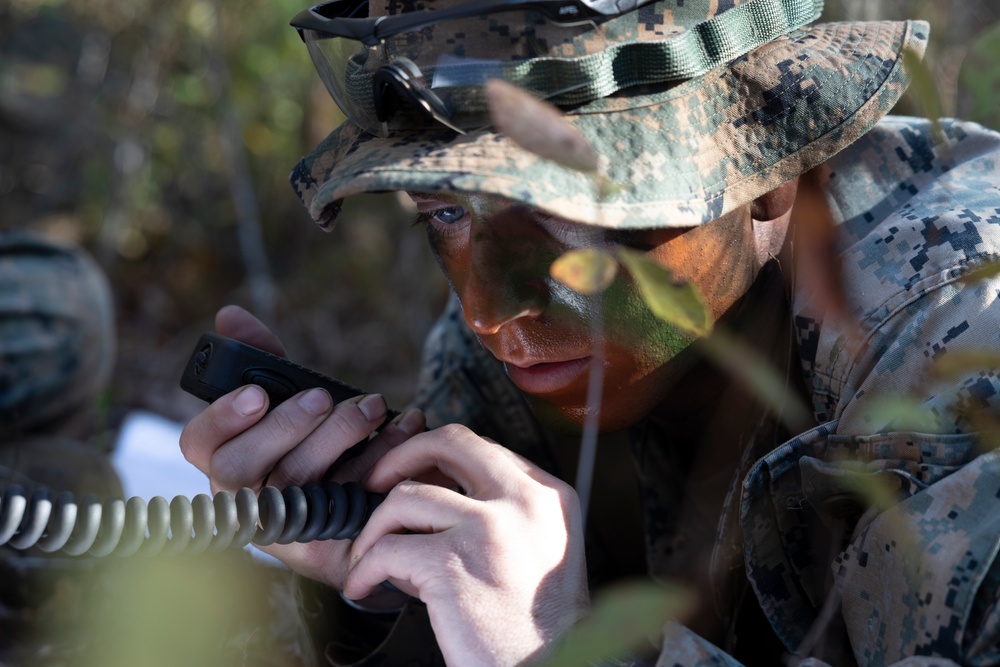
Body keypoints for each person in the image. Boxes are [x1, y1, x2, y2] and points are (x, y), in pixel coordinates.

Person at [179, 0, 1000, 665]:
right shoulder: (507, 357)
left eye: (570, 212)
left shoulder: (962, 338)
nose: (488, 310)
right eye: (450, 211)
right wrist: (372, 596)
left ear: (768, 171)